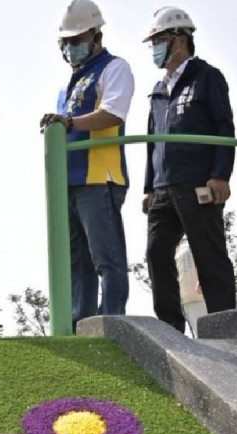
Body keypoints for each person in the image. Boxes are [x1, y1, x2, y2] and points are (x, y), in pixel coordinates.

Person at [39, 0, 134, 329]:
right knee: (76, 262)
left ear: (96, 35)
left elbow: (113, 112)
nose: (72, 47)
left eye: (78, 39)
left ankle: (112, 324)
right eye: (67, 41)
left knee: (107, 259)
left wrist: (69, 122)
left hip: (98, 177)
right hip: (69, 181)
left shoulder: (114, 68)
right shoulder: (68, 84)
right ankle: (81, 323)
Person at [142, 7, 236, 333]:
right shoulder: (157, 89)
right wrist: (148, 187)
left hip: (198, 181)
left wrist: (221, 174)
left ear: (179, 40)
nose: (154, 46)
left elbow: (224, 127)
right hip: (163, 188)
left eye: (159, 40)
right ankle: (169, 328)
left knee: (208, 255)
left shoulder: (207, 77)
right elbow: (152, 142)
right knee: (156, 254)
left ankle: (226, 328)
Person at [175, 236, 207, 336]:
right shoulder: (178, 249)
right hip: (190, 298)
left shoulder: (188, 247)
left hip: (196, 297)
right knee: (201, 334)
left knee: (202, 333)